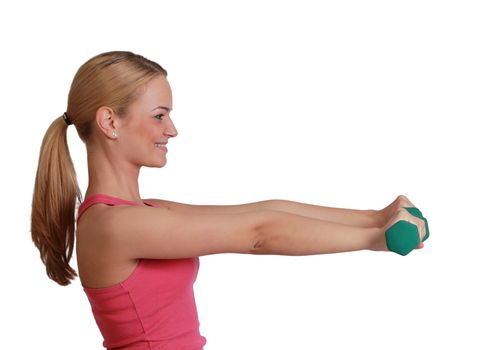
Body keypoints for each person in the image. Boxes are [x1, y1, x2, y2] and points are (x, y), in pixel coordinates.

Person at [30, 50, 427, 350]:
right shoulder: (112, 225)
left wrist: (376, 217)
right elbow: (258, 235)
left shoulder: (147, 212)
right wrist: (376, 241)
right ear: (110, 122)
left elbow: (265, 210)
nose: (172, 130)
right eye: (159, 115)